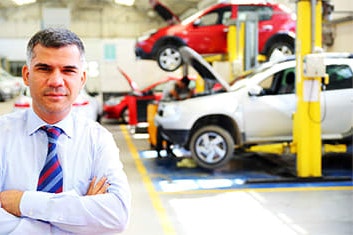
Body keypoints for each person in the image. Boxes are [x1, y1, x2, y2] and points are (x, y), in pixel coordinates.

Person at [0, 28, 131, 234]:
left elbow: (116, 215)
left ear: (82, 78)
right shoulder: (2, 135)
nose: (56, 81)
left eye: (68, 70)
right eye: (44, 68)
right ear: (26, 75)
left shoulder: (98, 140)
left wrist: (23, 202)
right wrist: (79, 214)